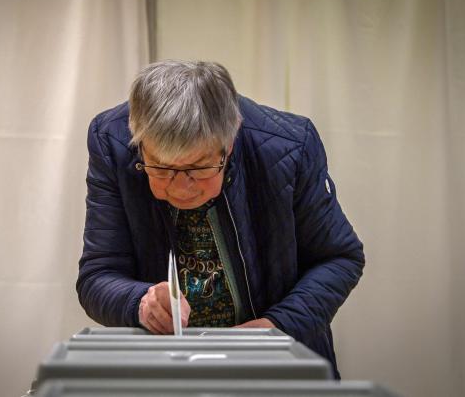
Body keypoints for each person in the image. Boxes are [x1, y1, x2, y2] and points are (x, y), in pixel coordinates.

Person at [76, 60, 364, 378]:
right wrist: (140, 302)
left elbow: (339, 259)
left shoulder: (289, 145)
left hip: (279, 365)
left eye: (199, 167)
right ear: (139, 144)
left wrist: (275, 327)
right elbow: (98, 276)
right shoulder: (111, 141)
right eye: (161, 167)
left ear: (229, 142)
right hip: (166, 371)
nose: (181, 188)